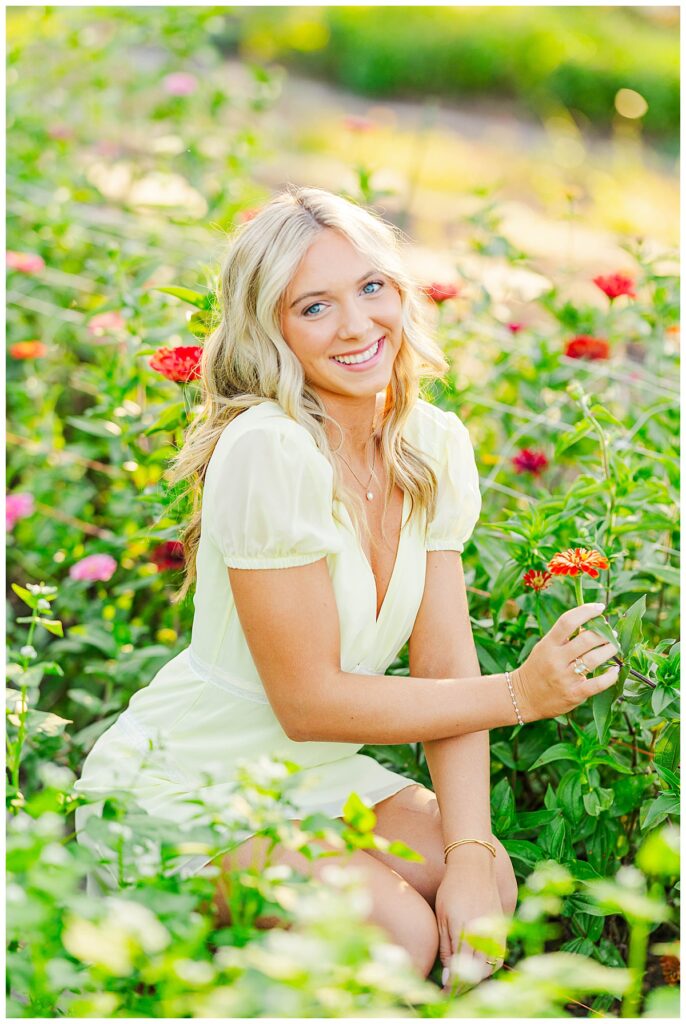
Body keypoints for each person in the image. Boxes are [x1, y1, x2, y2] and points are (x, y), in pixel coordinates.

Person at [74, 185, 620, 984]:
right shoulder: (270, 450)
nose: (359, 325)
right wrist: (521, 696)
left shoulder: (429, 443)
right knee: (396, 933)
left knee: (489, 881)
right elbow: (309, 705)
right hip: (187, 781)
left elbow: (443, 668)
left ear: (401, 293)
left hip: (316, 780)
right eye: (315, 307)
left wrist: (468, 851)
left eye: (371, 288)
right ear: (273, 332)